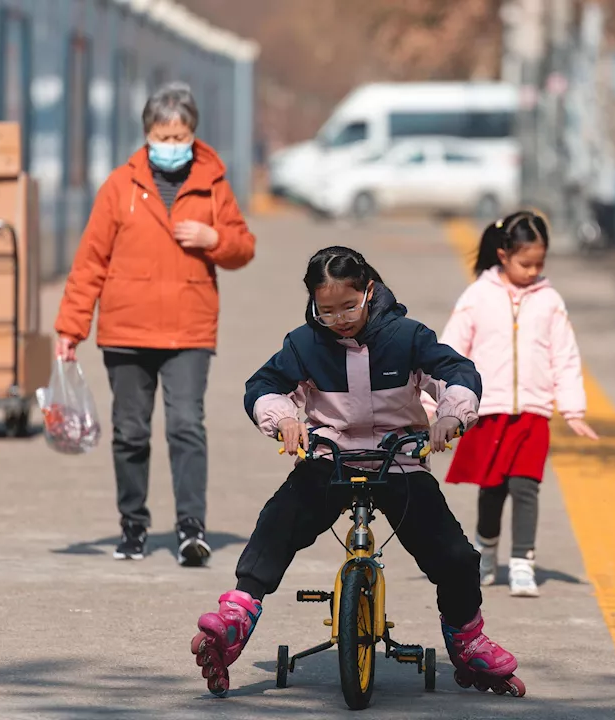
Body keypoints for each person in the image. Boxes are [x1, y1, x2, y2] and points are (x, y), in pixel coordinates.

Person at [189, 246, 525, 698]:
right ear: (312, 304)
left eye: (349, 306)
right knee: (278, 522)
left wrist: (452, 414)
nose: (340, 318)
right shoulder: (304, 344)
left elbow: (456, 371)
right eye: (326, 311)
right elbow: (264, 387)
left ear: (369, 291)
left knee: (455, 555)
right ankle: (237, 616)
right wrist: (286, 419)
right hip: (331, 457)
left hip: (399, 458)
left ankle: (467, 639)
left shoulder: (406, 336)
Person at [54, 82, 256, 566]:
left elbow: (243, 246)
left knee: (186, 425)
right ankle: (133, 525)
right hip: (126, 332)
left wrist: (213, 238)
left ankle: (191, 527)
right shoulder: (118, 187)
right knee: (131, 432)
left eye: (180, 135)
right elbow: (89, 263)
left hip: (189, 329)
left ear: (193, 134)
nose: (172, 145)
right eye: (163, 137)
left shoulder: (213, 184)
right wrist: (69, 330)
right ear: (147, 135)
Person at [434, 210, 598, 598]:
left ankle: (523, 561)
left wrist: (572, 408)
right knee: (492, 488)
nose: (534, 270)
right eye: (526, 263)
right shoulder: (477, 296)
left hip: (533, 412)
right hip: (488, 410)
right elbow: (451, 351)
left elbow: (565, 355)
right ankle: (486, 550)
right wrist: (434, 404)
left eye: (540, 263)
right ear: (504, 255)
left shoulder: (550, 301)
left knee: (526, 487)